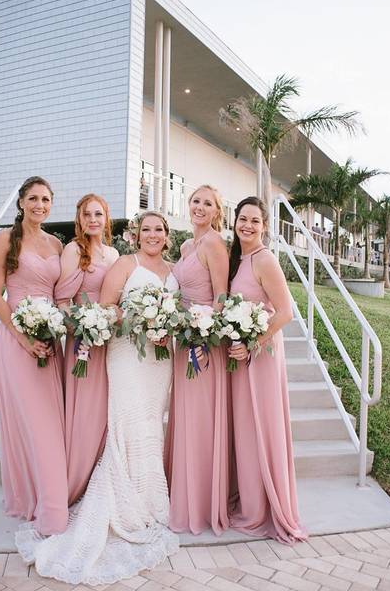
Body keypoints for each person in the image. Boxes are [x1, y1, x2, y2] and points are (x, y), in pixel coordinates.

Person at [16, 212, 180, 584]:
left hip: (160, 359)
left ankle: (151, 498)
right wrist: (142, 318)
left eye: (159, 229)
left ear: (168, 236)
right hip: (126, 354)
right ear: (136, 235)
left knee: (151, 422)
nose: (152, 235)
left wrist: (164, 324)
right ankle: (123, 502)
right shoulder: (125, 263)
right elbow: (107, 308)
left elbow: (180, 311)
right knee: (127, 419)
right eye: (146, 229)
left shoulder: (175, 269)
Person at [0, 176, 67, 534]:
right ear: (21, 202)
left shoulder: (56, 243)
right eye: (33, 198)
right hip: (17, 341)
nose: (39, 205)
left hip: (51, 340)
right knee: (36, 422)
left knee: (53, 422)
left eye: (46, 199)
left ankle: (47, 494)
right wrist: (22, 337)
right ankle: (47, 506)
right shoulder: (5, 239)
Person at [226, 197, 307, 544]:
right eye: (242, 219)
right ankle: (249, 499)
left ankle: (263, 508)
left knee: (261, 426)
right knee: (244, 429)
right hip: (241, 355)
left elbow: (285, 312)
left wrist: (253, 343)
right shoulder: (239, 259)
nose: (247, 225)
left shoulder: (265, 259)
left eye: (254, 221)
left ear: (265, 227)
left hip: (261, 355)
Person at [165, 185, 232, 535]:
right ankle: (183, 493)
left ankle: (202, 504)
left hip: (203, 346)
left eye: (208, 203)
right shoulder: (187, 246)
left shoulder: (214, 244)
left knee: (201, 420)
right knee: (186, 418)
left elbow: (221, 295)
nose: (200, 207)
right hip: (183, 341)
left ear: (217, 211)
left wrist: (203, 334)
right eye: (196, 201)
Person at [55, 194, 119, 505]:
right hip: (81, 343)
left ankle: (100, 484)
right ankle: (74, 480)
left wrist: (108, 323)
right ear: (79, 220)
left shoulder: (114, 253)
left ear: (106, 218)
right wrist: (81, 328)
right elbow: (62, 300)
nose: (92, 219)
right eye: (86, 215)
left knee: (107, 411)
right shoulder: (72, 250)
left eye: (98, 214)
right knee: (83, 412)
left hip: (109, 344)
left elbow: (118, 299)